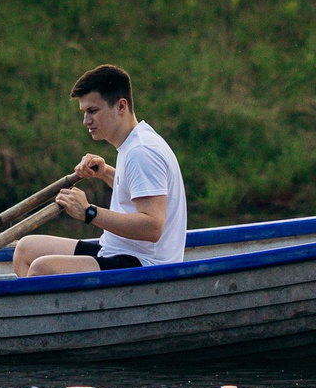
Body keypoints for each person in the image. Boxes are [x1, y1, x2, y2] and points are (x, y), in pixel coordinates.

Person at [12, 64, 187, 277]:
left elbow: (152, 227)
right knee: (26, 248)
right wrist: (105, 172)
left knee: (42, 268)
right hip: (119, 252)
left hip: (145, 263)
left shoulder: (141, 151)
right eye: (84, 112)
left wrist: (89, 212)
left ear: (121, 106)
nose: (86, 121)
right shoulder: (133, 143)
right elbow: (136, 190)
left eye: (93, 111)